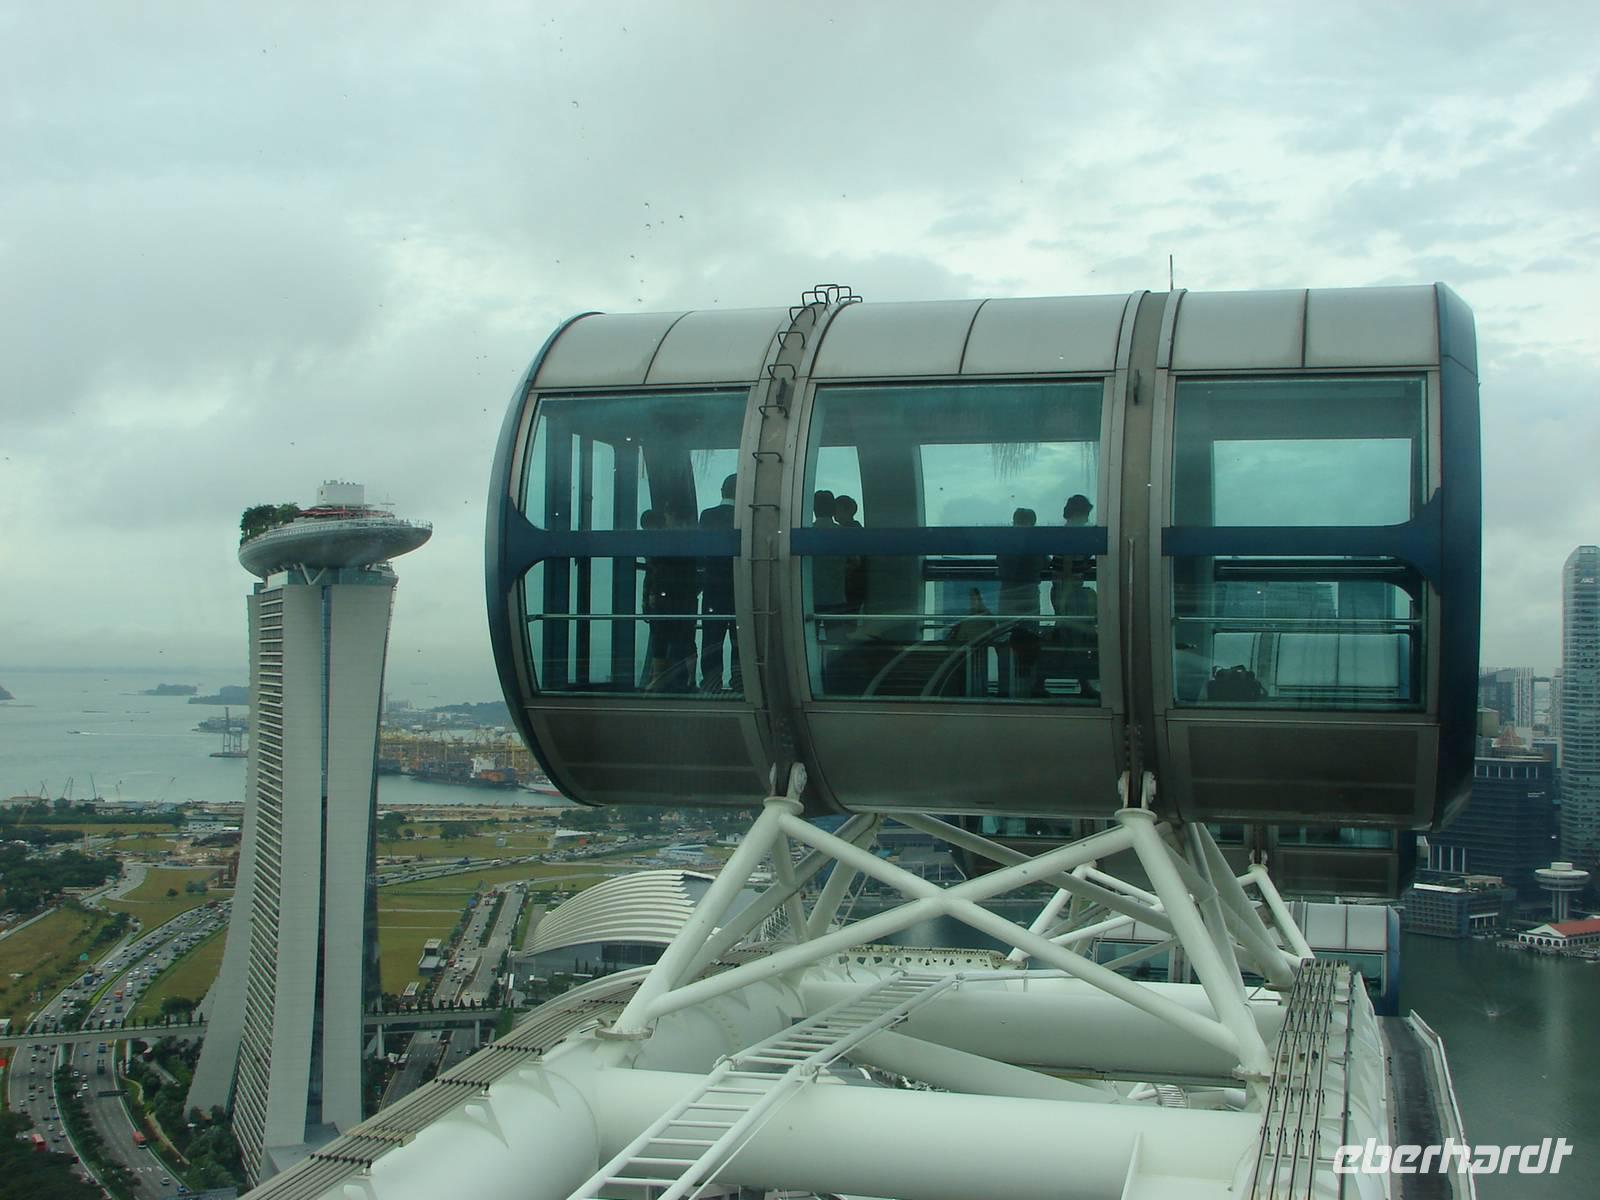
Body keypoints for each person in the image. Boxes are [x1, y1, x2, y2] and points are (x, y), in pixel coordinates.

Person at [997, 508, 1047, 696]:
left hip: (1007, 592)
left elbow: (1000, 562)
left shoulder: (1005, 539)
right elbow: (1044, 563)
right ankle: (1030, 685)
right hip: (1029, 592)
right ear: (1032, 523)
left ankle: (1004, 687)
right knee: (1030, 639)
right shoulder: (1036, 541)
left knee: (1004, 637)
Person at [698, 474, 739, 690]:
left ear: (722, 491)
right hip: (739, 586)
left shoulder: (707, 516)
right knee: (739, 639)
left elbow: (702, 552)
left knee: (711, 639)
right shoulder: (744, 517)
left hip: (713, 587)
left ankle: (711, 683)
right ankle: (740, 681)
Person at [834, 494, 867, 612]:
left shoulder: (849, 531)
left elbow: (856, 561)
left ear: (847, 511)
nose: (834, 513)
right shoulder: (857, 529)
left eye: (836, 509)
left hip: (851, 586)